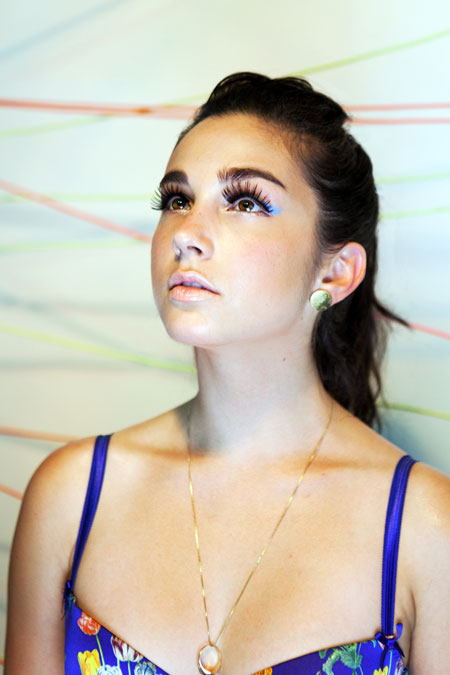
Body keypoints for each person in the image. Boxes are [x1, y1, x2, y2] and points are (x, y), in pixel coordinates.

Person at [5, 72, 449, 675]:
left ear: (336, 272)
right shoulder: (71, 496)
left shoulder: (428, 528)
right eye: (176, 200)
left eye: (245, 202)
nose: (186, 234)